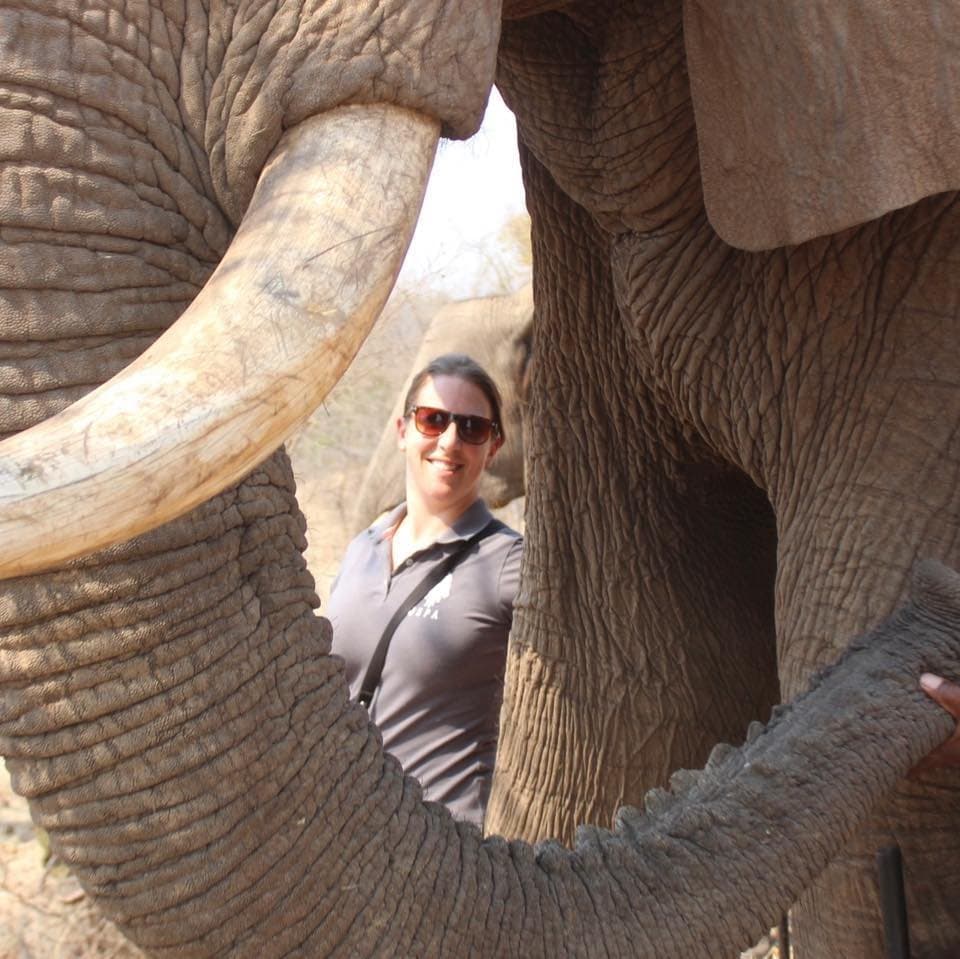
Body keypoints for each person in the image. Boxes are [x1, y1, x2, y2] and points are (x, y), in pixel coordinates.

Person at [328, 353, 522, 827]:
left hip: (437, 855)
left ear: (492, 448)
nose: (450, 442)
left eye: (472, 429)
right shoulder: (362, 549)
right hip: (336, 837)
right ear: (402, 432)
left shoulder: (508, 562)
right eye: (433, 420)